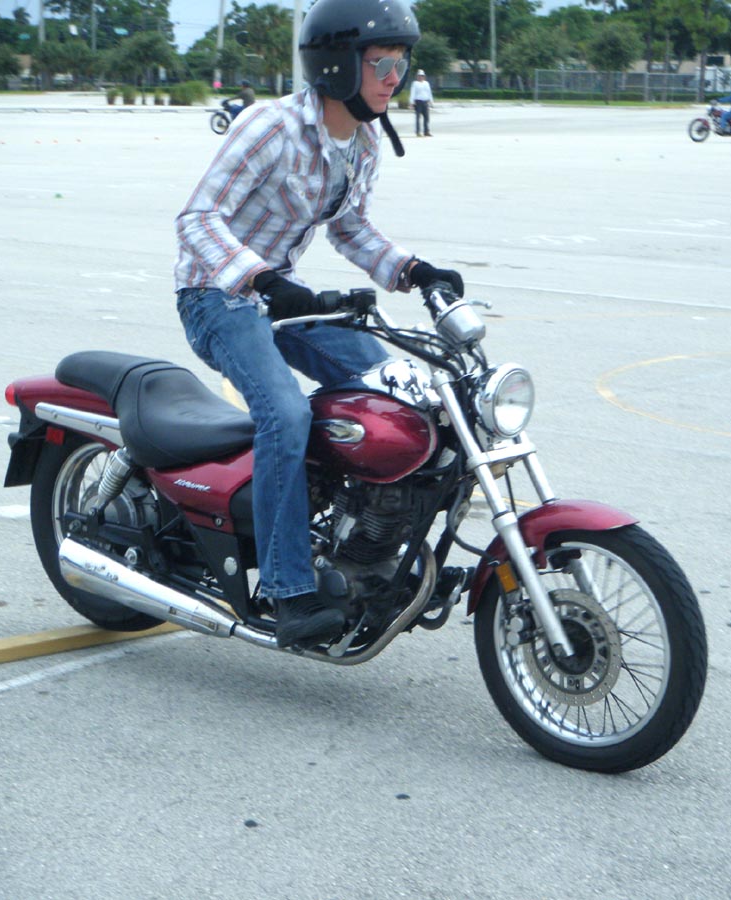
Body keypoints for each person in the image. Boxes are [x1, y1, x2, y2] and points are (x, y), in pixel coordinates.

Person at [173, 0, 463, 650]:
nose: (395, 77)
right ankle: (288, 590)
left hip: (284, 297)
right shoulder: (270, 127)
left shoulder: (362, 140)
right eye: (381, 63)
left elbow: (351, 229)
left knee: (402, 390)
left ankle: (377, 550)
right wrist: (261, 279)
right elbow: (196, 219)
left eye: (401, 62)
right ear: (338, 65)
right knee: (286, 413)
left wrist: (415, 271)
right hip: (216, 295)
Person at [410, 69, 433, 136]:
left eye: (422, 76)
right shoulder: (415, 83)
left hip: (425, 102)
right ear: (417, 76)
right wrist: (411, 102)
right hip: (418, 102)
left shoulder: (426, 83)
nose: (420, 77)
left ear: (424, 76)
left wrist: (431, 101)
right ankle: (418, 132)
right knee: (418, 117)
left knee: (426, 117)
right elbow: (413, 93)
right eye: (419, 76)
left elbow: (429, 92)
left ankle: (426, 131)